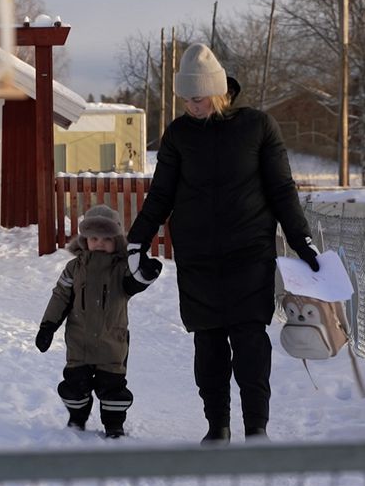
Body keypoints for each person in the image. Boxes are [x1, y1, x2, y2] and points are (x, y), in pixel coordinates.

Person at [126, 43, 320, 445]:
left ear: (217, 91)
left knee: (250, 344)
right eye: (186, 100)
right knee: (209, 346)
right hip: (198, 259)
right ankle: (217, 428)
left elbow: (282, 189)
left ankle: (257, 431)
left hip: (250, 254)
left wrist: (302, 242)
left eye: (197, 99)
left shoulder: (258, 126)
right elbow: (160, 194)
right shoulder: (179, 134)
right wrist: (136, 242)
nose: (191, 107)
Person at [36, 204, 162, 438]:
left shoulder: (122, 268)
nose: (99, 243)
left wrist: (145, 273)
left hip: (111, 343)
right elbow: (60, 297)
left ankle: (114, 424)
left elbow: (134, 283)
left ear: (117, 241)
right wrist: (48, 326)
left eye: (106, 239)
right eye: (94, 238)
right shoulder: (74, 268)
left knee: (112, 388)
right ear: (85, 240)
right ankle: (77, 418)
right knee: (75, 386)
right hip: (79, 342)